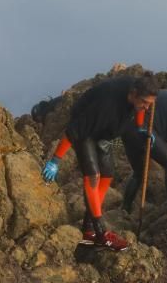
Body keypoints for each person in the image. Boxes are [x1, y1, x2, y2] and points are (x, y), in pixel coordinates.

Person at [41, 74, 160, 251]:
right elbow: (73, 132)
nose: (147, 107)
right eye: (144, 102)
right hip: (86, 131)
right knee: (93, 176)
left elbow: (140, 110)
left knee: (107, 175)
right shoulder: (106, 105)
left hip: (104, 133)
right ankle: (101, 233)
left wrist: (140, 129)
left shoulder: (139, 96)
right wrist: (55, 161)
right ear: (134, 94)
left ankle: (88, 231)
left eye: (150, 103)